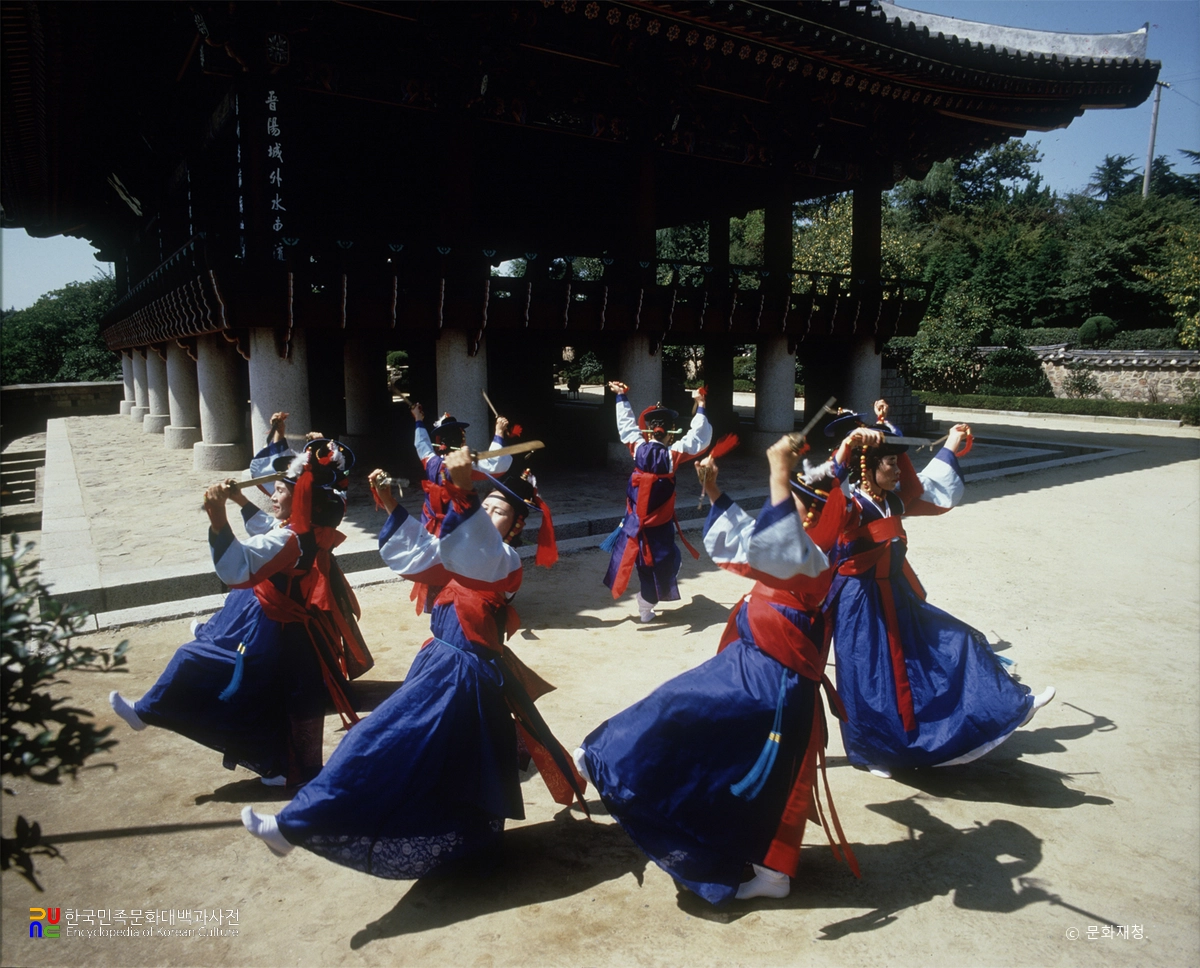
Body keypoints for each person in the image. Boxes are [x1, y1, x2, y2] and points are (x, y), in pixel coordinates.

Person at [241, 446, 582, 876]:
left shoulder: (505, 564)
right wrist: (391, 507)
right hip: (440, 668)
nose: (490, 515)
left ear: (514, 528)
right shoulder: (464, 553)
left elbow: (470, 552)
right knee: (449, 761)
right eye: (487, 507)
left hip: (462, 677)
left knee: (371, 739)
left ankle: (292, 826)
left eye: (500, 512)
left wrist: (463, 494)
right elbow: (424, 552)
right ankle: (462, 840)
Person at [574, 437, 859, 905]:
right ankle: (612, 757)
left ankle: (771, 870)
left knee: (689, 711)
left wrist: (779, 474)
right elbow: (751, 538)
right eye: (798, 501)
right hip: (756, 659)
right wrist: (714, 493)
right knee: (705, 728)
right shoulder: (799, 545)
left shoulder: (814, 556)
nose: (799, 509)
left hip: (777, 677)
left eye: (807, 505)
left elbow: (771, 546)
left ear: (820, 517)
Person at [109, 431, 371, 787]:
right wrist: (240, 500)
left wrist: (218, 517)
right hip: (289, 628)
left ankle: (148, 711)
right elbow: (267, 529)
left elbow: (238, 567)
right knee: (268, 696)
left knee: (195, 660)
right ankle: (277, 767)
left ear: (302, 501)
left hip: (276, 630)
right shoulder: (305, 532)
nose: (274, 494)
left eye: (281, 491)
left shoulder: (290, 539)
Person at [820, 409, 1055, 778]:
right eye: (890, 464)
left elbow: (924, 484)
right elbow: (821, 487)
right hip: (860, 602)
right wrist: (848, 445)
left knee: (954, 642)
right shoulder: (849, 506)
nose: (898, 471)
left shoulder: (893, 501)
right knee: (870, 680)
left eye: (898, 464)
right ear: (867, 468)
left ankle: (1012, 705)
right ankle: (871, 753)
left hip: (898, 594)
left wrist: (950, 443)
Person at [602, 382, 712, 622]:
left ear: (648, 431)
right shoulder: (673, 455)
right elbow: (699, 438)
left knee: (644, 563)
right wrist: (701, 406)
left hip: (634, 523)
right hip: (659, 525)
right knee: (668, 561)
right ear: (671, 430)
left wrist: (622, 397)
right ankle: (646, 601)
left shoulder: (637, 448)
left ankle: (645, 608)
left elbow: (626, 427)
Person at [407, 401, 517, 613]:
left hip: (431, 527)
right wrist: (498, 433)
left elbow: (421, 445)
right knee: (462, 566)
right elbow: (496, 465)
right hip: (455, 527)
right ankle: (458, 607)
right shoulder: (463, 465)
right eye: (461, 434)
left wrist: (418, 421)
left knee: (438, 566)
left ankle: (438, 606)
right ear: (459, 438)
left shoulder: (431, 462)